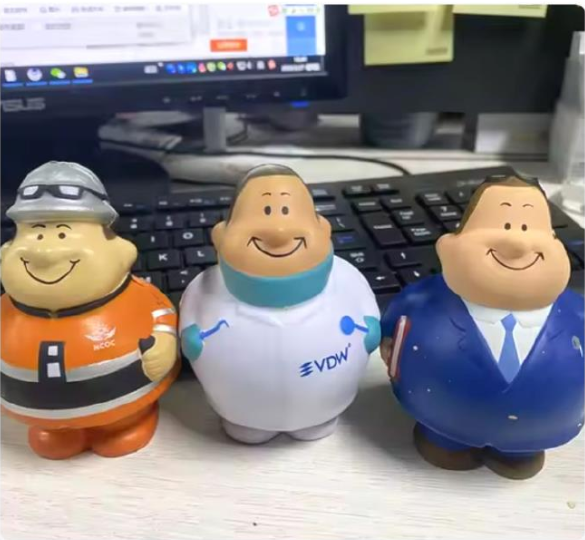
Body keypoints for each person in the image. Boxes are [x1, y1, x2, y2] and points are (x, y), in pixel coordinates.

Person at [381, 172, 584, 479]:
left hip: (542, 422)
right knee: (442, 442)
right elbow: (390, 323)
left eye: (528, 228)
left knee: (521, 457)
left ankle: (520, 451)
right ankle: (446, 442)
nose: (518, 243)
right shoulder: (422, 302)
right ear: (449, 245)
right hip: (439, 412)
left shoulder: (576, 313)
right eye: (504, 226)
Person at [180, 164, 380, 444]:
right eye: (265, 212)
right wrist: (190, 337)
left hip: (326, 402)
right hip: (241, 407)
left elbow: (365, 303)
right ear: (221, 235)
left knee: (319, 418)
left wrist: (371, 327)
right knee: (247, 426)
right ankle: (246, 422)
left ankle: (319, 418)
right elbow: (190, 314)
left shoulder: (345, 275)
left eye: (287, 211)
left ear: (323, 229)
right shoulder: (205, 287)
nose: (279, 232)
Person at [1, 161, 179, 459]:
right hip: (36, 411)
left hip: (125, 406)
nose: (45, 253)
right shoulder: (7, 310)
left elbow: (162, 315)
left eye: (62, 234)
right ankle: (57, 430)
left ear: (118, 248)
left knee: (122, 425)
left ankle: (124, 425)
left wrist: (164, 342)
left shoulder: (139, 295)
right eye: (37, 233)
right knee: (55, 438)